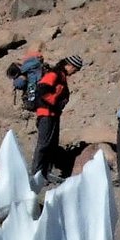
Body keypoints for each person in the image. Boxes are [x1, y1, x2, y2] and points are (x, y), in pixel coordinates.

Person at [31, 54, 82, 185]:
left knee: (51, 144)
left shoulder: (62, 76)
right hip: (46, 113)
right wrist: (55, 97)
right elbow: (42, 91)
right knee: (43, 144)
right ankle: (36, 174)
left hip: (53, 114)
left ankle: (46, 172)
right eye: (75, 69)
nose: (75, 72)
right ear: (69, 65)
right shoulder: (54, 74)